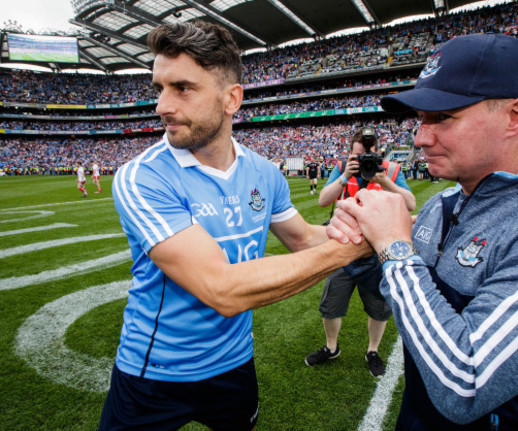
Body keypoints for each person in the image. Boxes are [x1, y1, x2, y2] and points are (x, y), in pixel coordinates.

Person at [328, 33, 518, 430]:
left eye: (442, 117)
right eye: (420, 120)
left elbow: (464, 385)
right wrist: (363, 241)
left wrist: (394, 249)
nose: (421, 137)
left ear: (516, 116)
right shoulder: (441, 207)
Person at [100, 20, 369, 431]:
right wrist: (354, 247)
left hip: (234, 363)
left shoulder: (263, 172)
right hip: (153, 371)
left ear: (232, 99)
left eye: (183, 88)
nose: (162, 106)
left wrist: (366, 226)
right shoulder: (143, 177)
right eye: (160, 88)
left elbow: (303, 238)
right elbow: (220, 289)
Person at [304, 127, 415, 377]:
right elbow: (323, 200)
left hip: (376, 252)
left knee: (379, 307)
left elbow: (410, 204)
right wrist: (344, 176)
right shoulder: (343, 166)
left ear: (378, 151)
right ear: (350, 152)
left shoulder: (391, 169)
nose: (363, 160)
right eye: (358, 156)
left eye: (368, 155)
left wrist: (383, 179)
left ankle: (372, 351)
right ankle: (331, 347)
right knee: (331, 304)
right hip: (342, 247)